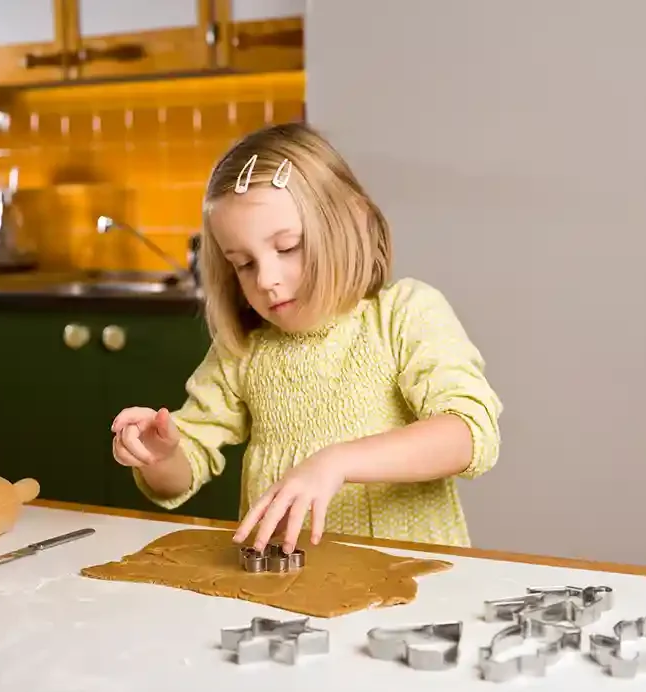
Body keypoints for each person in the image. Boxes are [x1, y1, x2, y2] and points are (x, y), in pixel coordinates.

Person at [110, 121, 502, 554]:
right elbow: (179, 477)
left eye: (288, 247)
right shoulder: (243, 348)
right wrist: (161, 457)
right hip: (287, 590)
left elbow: (469, 433)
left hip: (415, 586)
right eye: (243, 263)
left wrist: (338, 462)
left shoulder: (403, 314)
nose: (267, 280)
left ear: (351, 220)